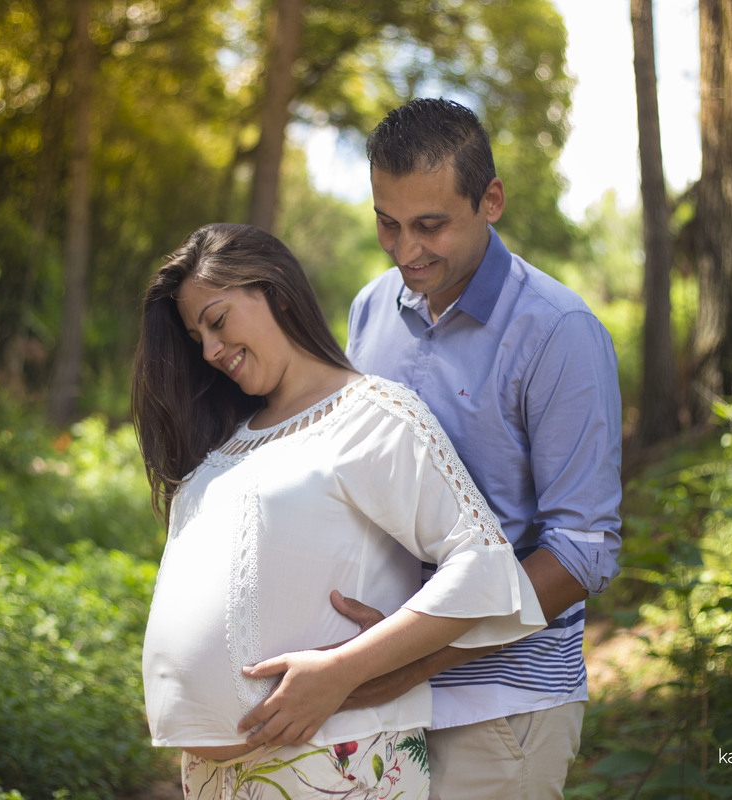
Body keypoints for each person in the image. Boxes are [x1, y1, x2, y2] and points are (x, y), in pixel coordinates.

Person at [244, 99, 624, 797]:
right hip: (370, 700)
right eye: (387, 223)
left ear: (491, 201)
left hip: (502, 708)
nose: (406, 250)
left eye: (431, 226)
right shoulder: (369, 309)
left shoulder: (559, 331)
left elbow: (582, 550)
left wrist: (402, 661)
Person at [133, 222, 546, 800]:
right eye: (196, 335)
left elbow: (483, 568)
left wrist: (346, 669)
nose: (209, 350)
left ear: (274, 290)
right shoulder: (226, 443)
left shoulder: (371, 415)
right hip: (212, 780)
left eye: (218, 320)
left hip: (335, 761)